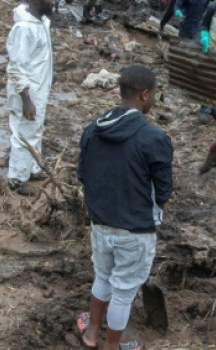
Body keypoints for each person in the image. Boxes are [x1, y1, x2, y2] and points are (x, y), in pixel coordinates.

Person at [75, 65, 173, 350]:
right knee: (124, 292)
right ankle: (112, 346)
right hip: (135, 230)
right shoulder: (154, 138)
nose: (154, 99)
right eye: (154, 93)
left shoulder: (93, 129)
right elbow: (163, 192)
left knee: (103, 277)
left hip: (100, 223)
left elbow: (83, 175)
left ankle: (92, 333)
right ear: (144, 95)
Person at [4, 0, 56, 196]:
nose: (54, 2)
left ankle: (33, 167)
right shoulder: (24, 29)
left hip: (38, 87)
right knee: (24, 132)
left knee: (35, 129)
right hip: (29, 91)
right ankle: (17, 178)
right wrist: (26, 98)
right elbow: (15, 66)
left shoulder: (40, 22)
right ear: (36, 0)